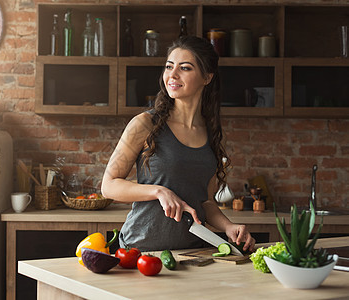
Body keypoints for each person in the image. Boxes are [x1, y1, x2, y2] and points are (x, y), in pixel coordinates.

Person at [101, 36, 255, 252]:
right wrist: (158, 191)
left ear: (207, 77)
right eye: (168, 67)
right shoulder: (145, 124)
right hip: (140, 251)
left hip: (192, 253)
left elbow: (206, 202)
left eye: (185, 68)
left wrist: (229, 226)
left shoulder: (210, 134)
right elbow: (108, 186)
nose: (172, 75)